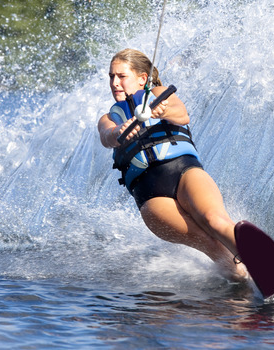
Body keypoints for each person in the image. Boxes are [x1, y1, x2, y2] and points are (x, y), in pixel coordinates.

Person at [97, 48, 247, 280]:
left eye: (121, 76)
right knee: (211, 245)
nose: (114, 82)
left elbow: (182, 114)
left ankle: (264, 266)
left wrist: (162, 109)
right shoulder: (108, 118)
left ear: (142, 78)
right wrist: (120, 131)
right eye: (111, 76)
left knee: (214, 220)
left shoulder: (159, 93)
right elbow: (107, 137)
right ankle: (248, 287)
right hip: (150, 195)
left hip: (183, 171)